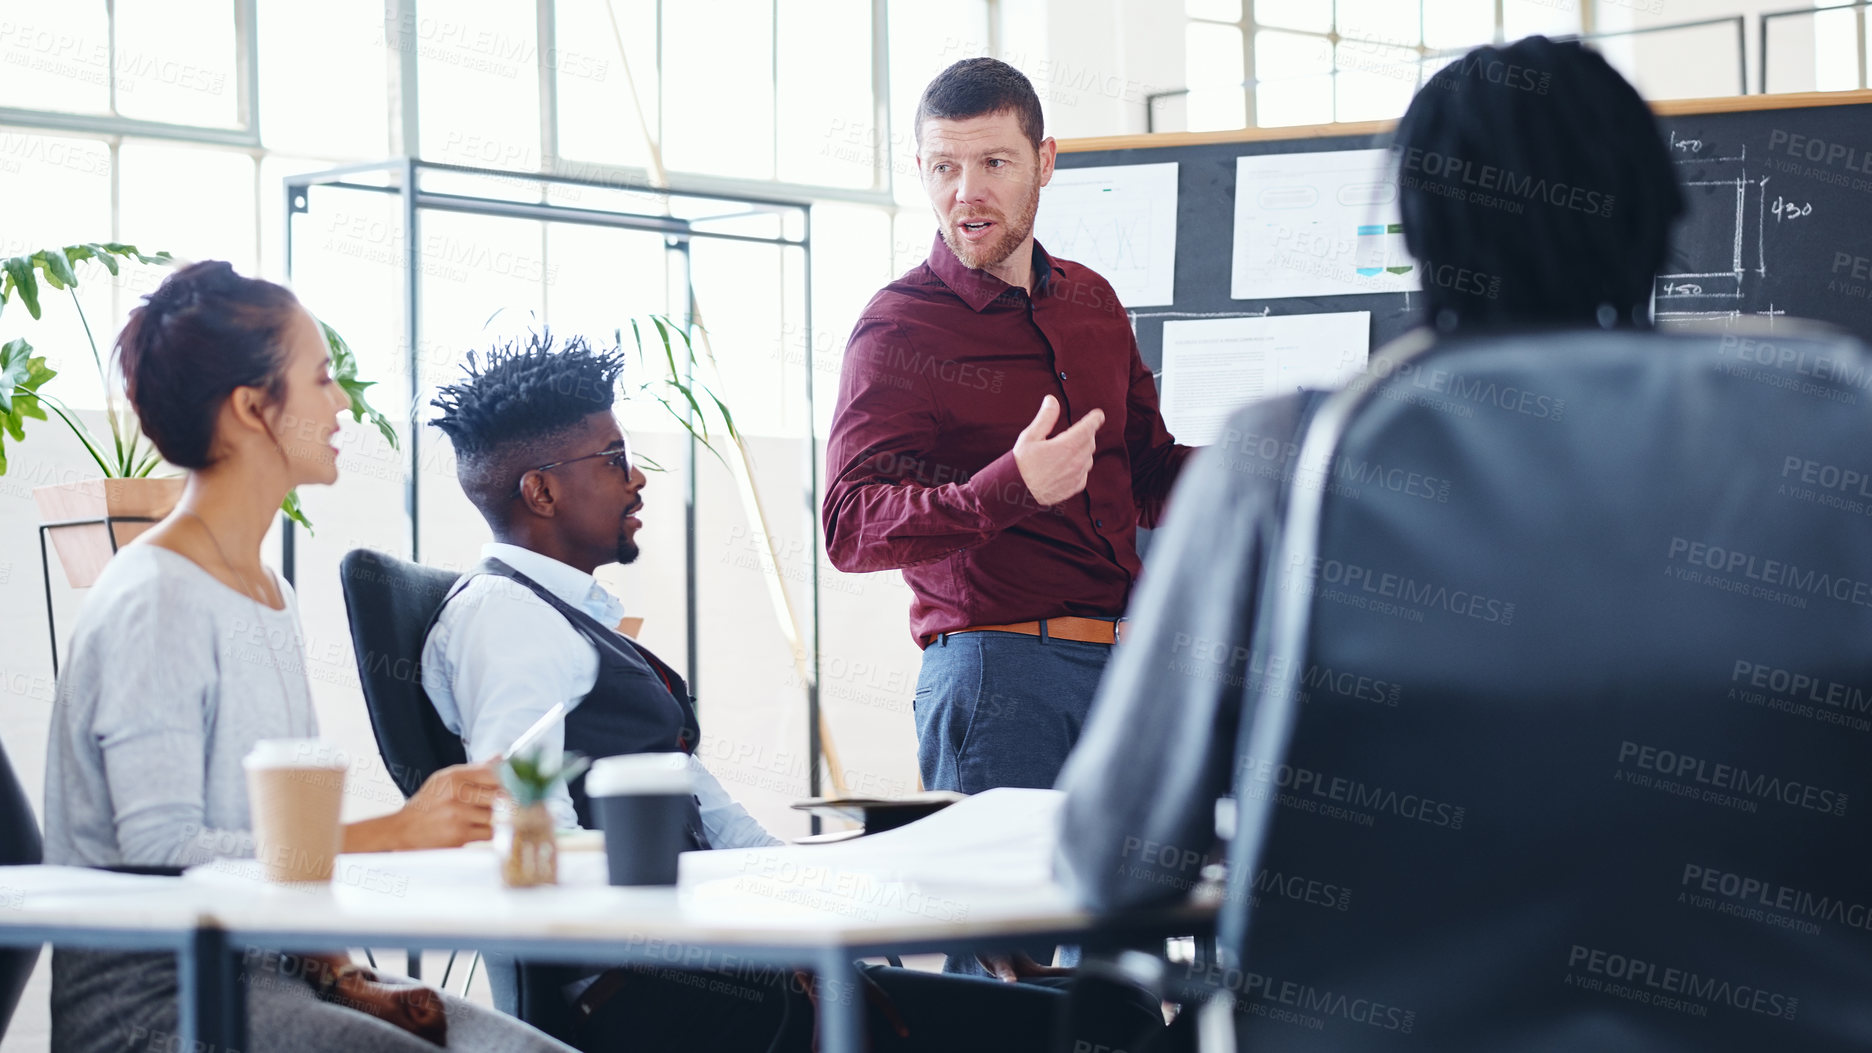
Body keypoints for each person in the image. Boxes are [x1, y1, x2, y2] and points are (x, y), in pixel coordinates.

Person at [1054, 36, 1687, 910]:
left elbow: (1111, 860)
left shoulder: (1289, 459)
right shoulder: (1809, 449)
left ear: (1421, 232)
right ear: (1659, 214)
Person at [423, 332, 1168, 1053]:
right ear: (542, 489)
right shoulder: (508, 620)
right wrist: (762, 932)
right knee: (1111, 1023)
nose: (637, 477)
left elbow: (714, 819)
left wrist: (853, 897)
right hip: (674, 998)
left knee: (1108, 1002)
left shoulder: (565, 621)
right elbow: (532, 840)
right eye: (616, 459)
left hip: (725, 970)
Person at [42, 262, 577, 1052]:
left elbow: (274, 844)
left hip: (282, 972)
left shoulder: (271, 592)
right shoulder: (153, 596)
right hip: (158, 1003)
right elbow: (160, 853)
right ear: (253, 408)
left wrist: (342, 968)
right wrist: (395, 829)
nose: (344, 403)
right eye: (321, 378)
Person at [823, 57, 1195, 799]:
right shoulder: (897, 328)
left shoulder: (1093, 300)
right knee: (1012, 915)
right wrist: (1008, 489)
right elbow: (848, 526)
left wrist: (1269, 465)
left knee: (1142, 914)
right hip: (998, 677)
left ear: (1044, 162)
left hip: (1131, 671)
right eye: (943, 167)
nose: (967, 192)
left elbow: (1143, 474)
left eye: (994, 161)